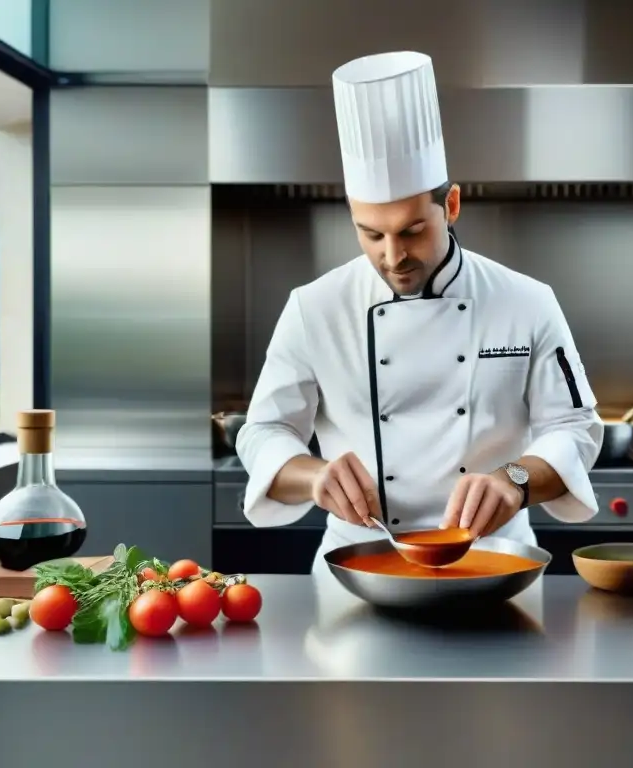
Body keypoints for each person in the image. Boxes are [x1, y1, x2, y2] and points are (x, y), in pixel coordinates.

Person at [236, 50, 604, 575]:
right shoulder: (314, 307)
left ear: (450, 205)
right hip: (357, 566)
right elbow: (262, 432)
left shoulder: (527, 300)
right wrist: (315, 476)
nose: (393, 256)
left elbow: (577, 427)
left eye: (412, 230)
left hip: (496, 563)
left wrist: (514, 480)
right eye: (371, 233)